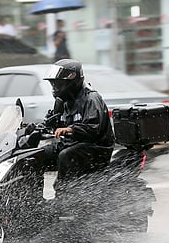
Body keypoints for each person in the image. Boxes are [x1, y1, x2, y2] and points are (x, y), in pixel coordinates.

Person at [42, 59, 115, 196]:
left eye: (59, 84)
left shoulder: (91, 98)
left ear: (72, 81)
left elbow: (94, 128)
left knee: (66, 155)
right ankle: (30, 200)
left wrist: (71, 129)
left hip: (96, 148)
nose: (55, 88)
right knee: (37, 155)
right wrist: (33, 129)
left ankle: (65, 199)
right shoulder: (62, 101)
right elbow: (52, 122)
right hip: (71, 144)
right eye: (53, 84)